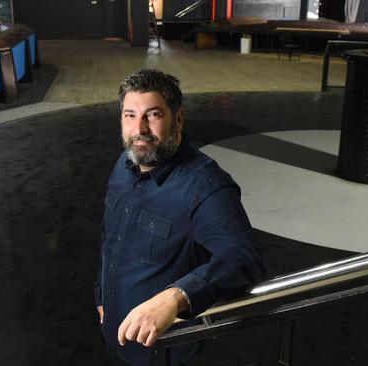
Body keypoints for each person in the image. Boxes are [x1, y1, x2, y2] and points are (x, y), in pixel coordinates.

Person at [95, 68, 264, 365]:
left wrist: (177, 296)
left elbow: (244, 258)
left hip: (166, 351)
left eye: (153, 115)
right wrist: (102, 295)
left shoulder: (205, 187)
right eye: (130, 115)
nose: (140, 129)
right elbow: (111, 238)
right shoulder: (125, 162)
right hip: (117, 332)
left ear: (179, 119)